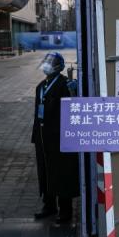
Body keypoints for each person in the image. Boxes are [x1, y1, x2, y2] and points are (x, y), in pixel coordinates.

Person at [31, 52, 79, 224]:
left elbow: (72, 110)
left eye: (50, 63)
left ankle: (65, 210)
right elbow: (38, 114)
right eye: (46, 62)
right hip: (43, 139)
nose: (46, 66)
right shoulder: (41, 86)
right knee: (45, 172)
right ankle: (49, 205)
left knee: (61, 173)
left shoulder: (65, 85)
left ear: (58, 66)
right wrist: (36, 136)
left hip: (59, 138)